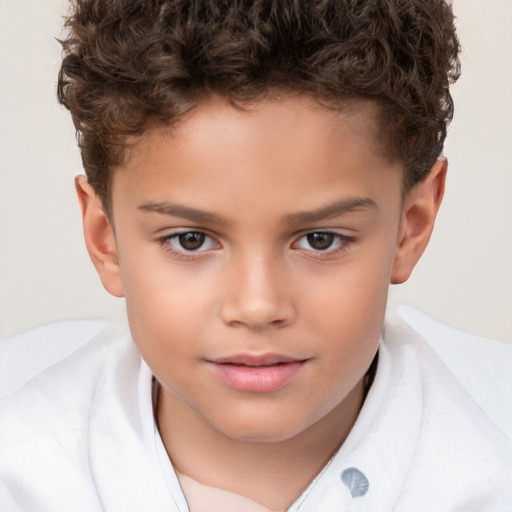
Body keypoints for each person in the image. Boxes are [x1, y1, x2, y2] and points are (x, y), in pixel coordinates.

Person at [0, 1, 510, 511]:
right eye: (191, 240)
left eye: (321, 240)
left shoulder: (492, 467)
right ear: (104, 237)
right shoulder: (21, 474)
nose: (258, 305)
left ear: (411, 226)